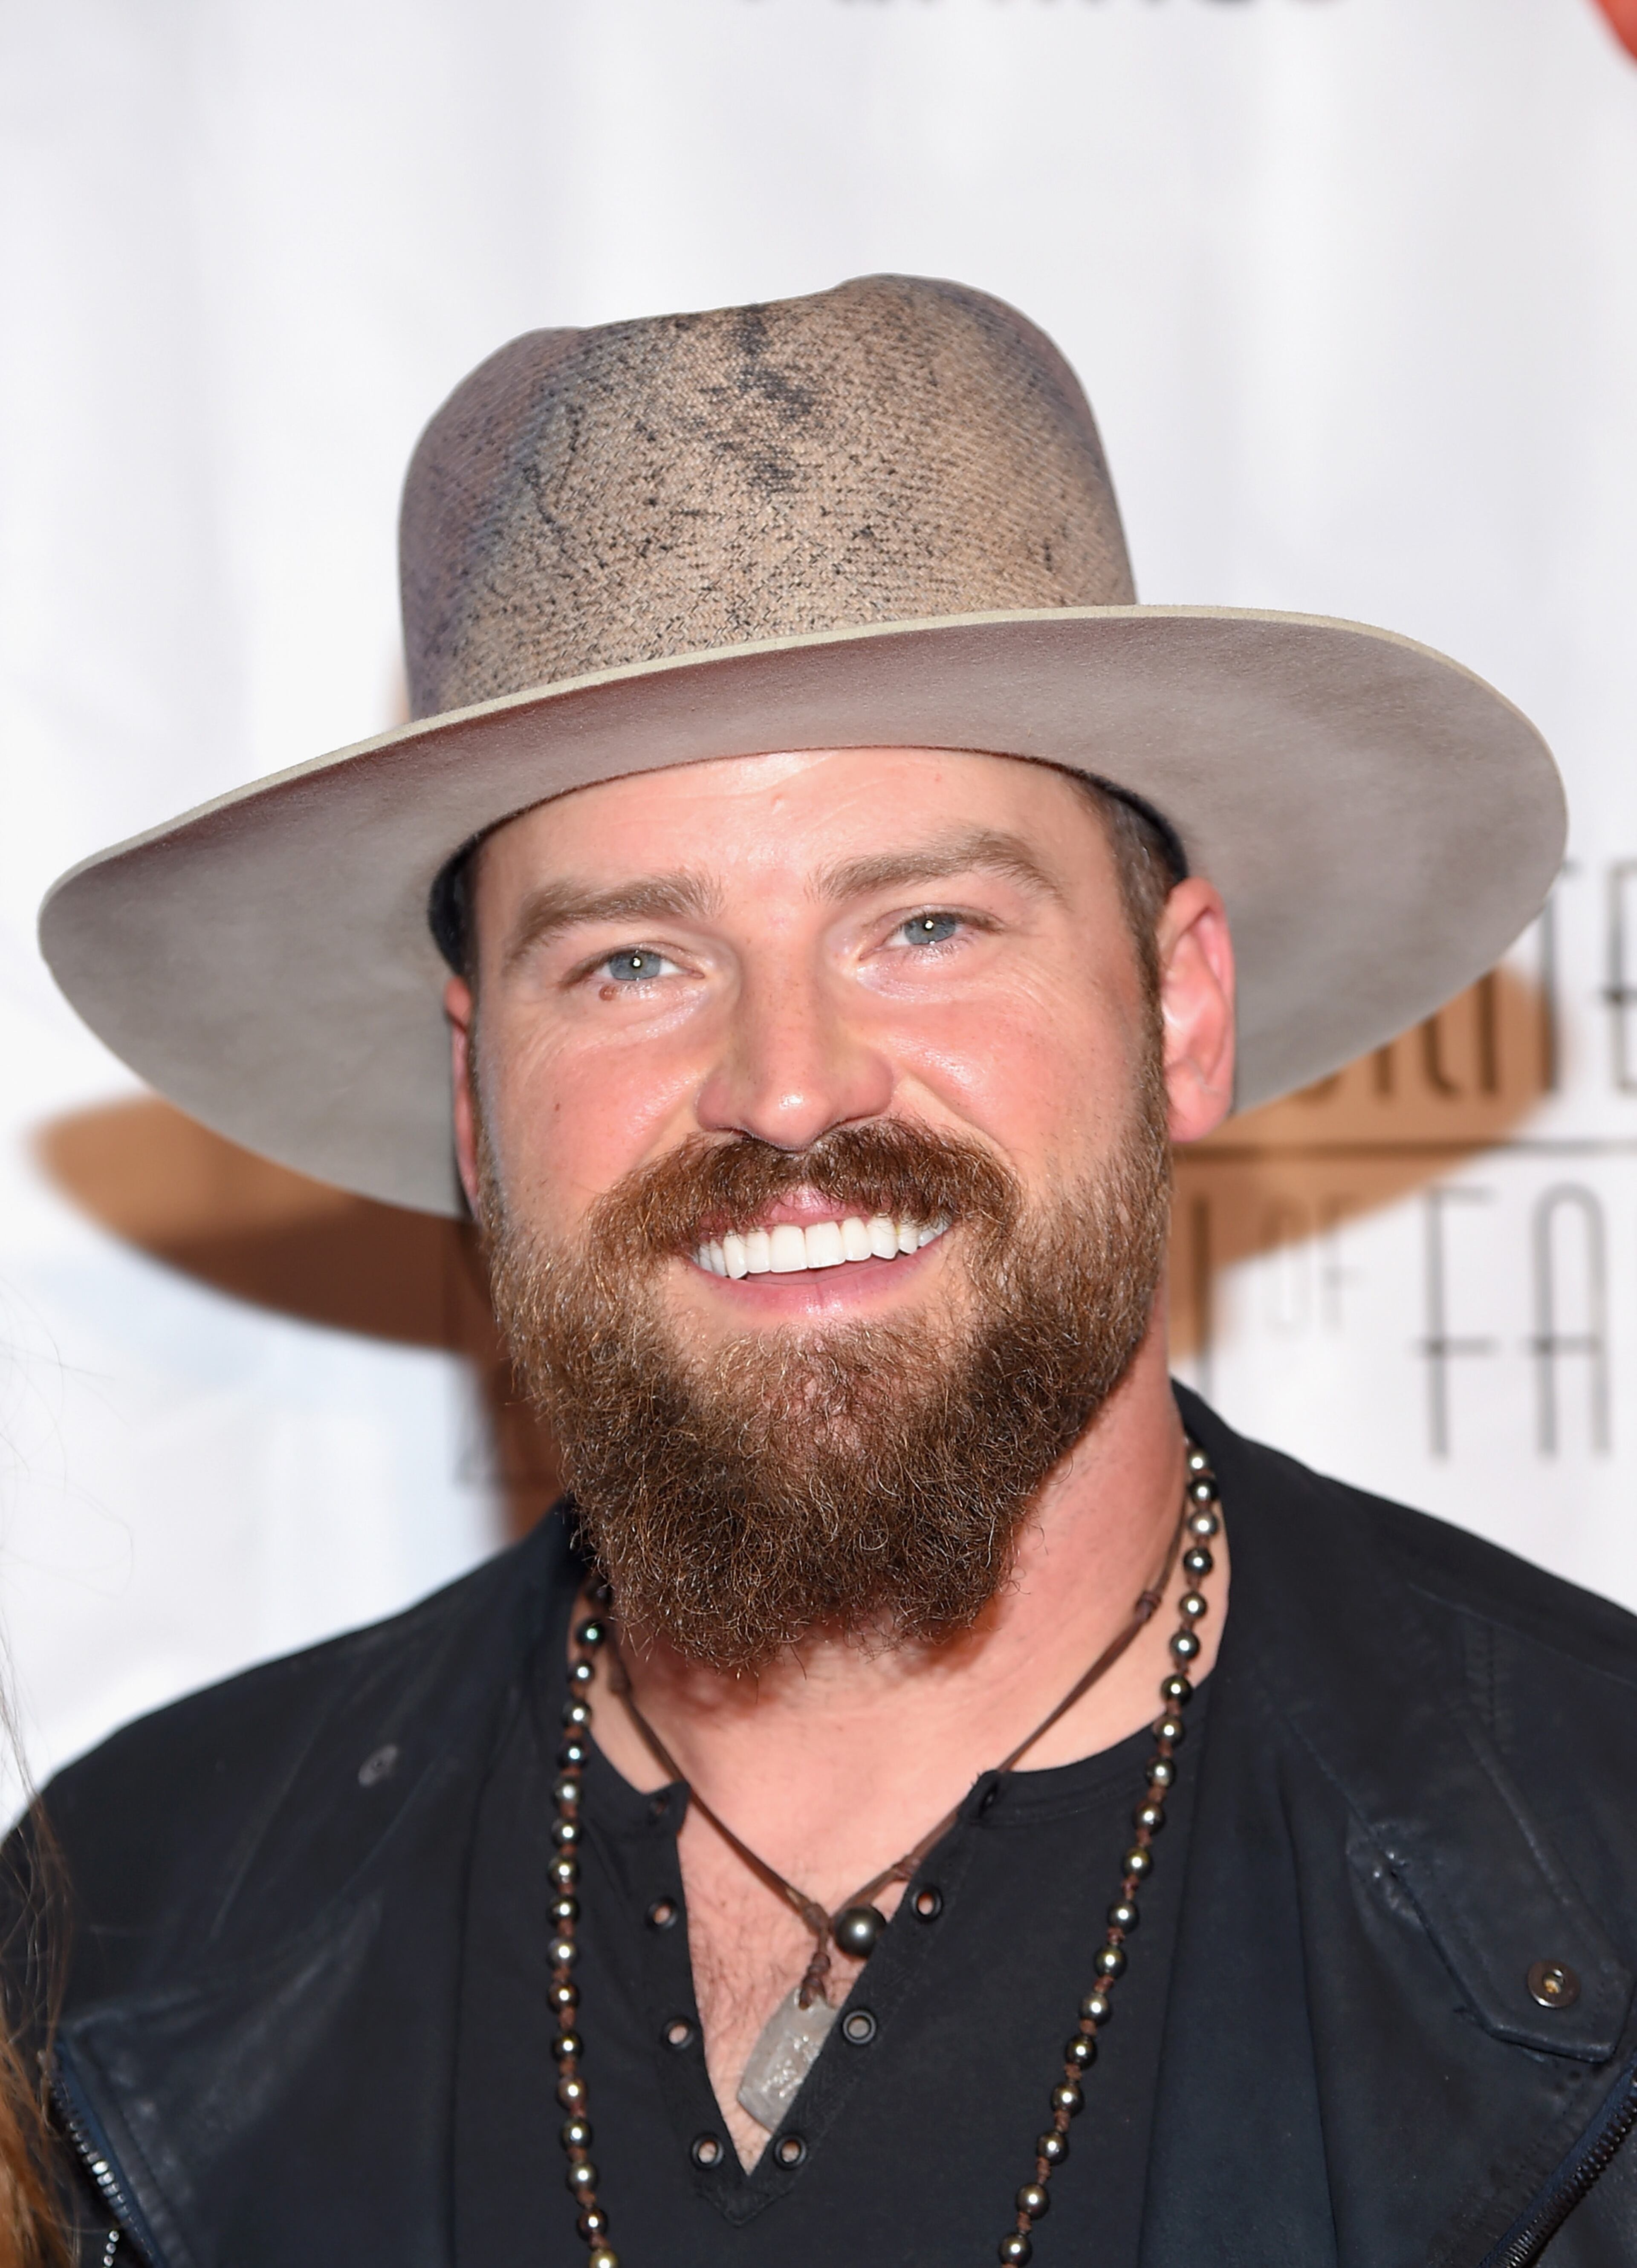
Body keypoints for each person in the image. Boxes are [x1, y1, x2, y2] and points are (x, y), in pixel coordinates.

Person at [18, 276, 1637, 2266]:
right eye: (634, 960)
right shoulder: (126, 1949)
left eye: (930, 924)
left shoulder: (1603, 1862)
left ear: (1180, 1004)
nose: (788, 1086)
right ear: (474, 1093)